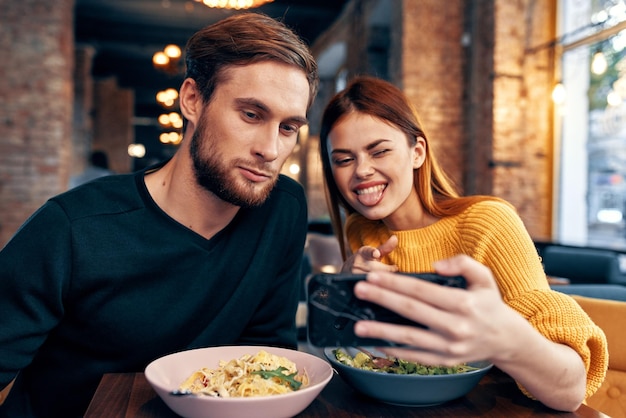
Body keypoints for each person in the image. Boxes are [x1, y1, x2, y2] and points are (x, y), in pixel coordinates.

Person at [0, 13, 318, 417]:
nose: (271, 150)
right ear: (192, 100)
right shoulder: (73, 228)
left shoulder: (281, 208)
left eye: (288, 128)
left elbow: (268, 357)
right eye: (252, 115)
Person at [318, 76, 607, 412]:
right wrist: (344, 283)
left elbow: (570, 388)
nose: (362, 170)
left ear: (417, 152)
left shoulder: (487, 223)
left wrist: (501, 335)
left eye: (379, 151)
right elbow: (344, 337)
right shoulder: (361, 230)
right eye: (343, 159)